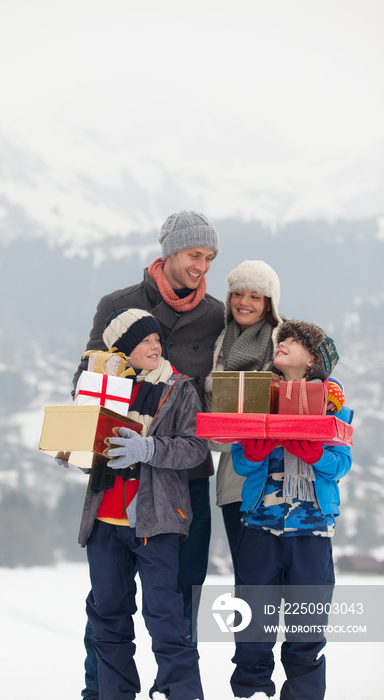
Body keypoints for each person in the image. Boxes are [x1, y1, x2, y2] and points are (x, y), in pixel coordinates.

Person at [73, 212, 224, 700]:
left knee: (178, 603)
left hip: (185, 482)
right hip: (117, 480)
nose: (202, 266)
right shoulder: (118, 305)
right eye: (193, 255)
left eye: (209, 258)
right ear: (169, 252)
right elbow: (87, 384)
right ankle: (101, 692)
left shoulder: (218, 315)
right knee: (108, 604)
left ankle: (177, 692)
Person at [77, 308, 207, 700]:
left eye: (156, 340)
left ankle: (183, 693)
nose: (154, 346)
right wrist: (72, 450)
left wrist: (149, 447)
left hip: (157, 520)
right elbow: (87, 444)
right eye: (144, 340)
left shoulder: (179, 388)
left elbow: (196, 448)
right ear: (122, 349)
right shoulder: (102, 388)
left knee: (166, 617)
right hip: (105, 520)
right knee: (108, 618)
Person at [229, 320, 353, 700]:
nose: (282, 344)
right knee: (252, 626)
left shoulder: (335, 407)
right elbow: (241, 460)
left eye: (294, 341)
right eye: (281, 339)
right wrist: (255, 449)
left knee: (307, 630)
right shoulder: (257, 397)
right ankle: (251, 693)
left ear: (314, 358)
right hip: (260, 529)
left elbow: (340, 465)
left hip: (312, 533)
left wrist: (314, 452)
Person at [204, 260, 284, 580]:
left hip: (278, 477)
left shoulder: (286, 342)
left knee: (281, 577)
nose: (244, 302)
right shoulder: (219, 344)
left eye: (255, 296)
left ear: (269, 305)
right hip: (236, 479)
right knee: (247, 577)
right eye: (238, 293)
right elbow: (213, 431)